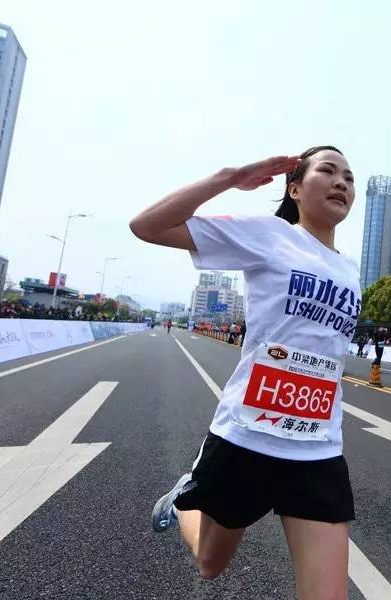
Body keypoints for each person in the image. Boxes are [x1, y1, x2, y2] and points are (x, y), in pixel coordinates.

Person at [131, 147, 359, 596]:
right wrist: (230, 177)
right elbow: (148, 226)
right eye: (328, 171)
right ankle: (182, 505)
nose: (341, 183)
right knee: (209, 563)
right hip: (249, 437)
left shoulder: (350, 270)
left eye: (349, 178)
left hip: (318, 446)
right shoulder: (271, 236)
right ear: (295, 189)